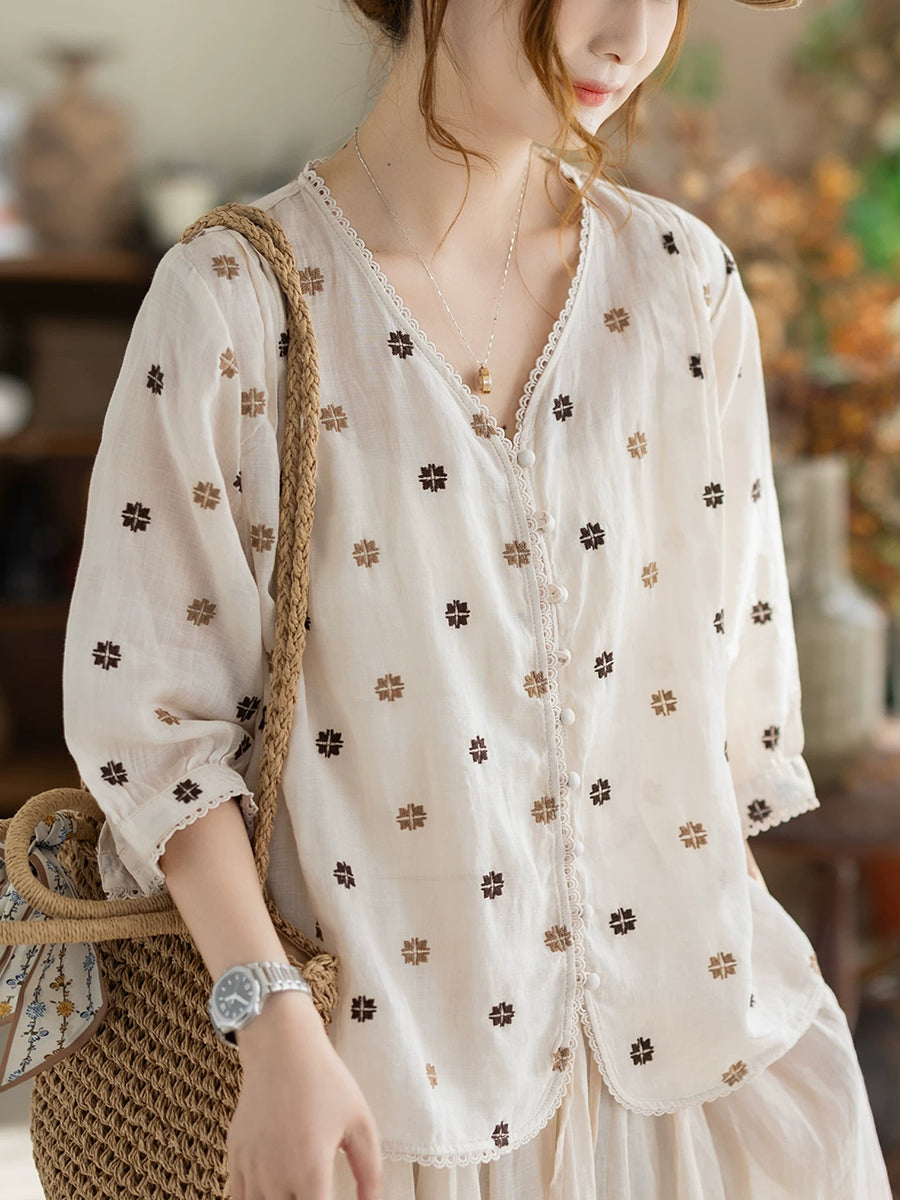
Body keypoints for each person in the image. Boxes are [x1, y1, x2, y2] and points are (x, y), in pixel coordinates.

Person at [61, 0, 894, 1197]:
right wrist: (270, 1021)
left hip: (699, 1067)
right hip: (385, 1086)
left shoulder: (681, 285)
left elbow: (709, 734)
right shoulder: (237, 301)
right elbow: (155, 725)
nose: (631, 35)